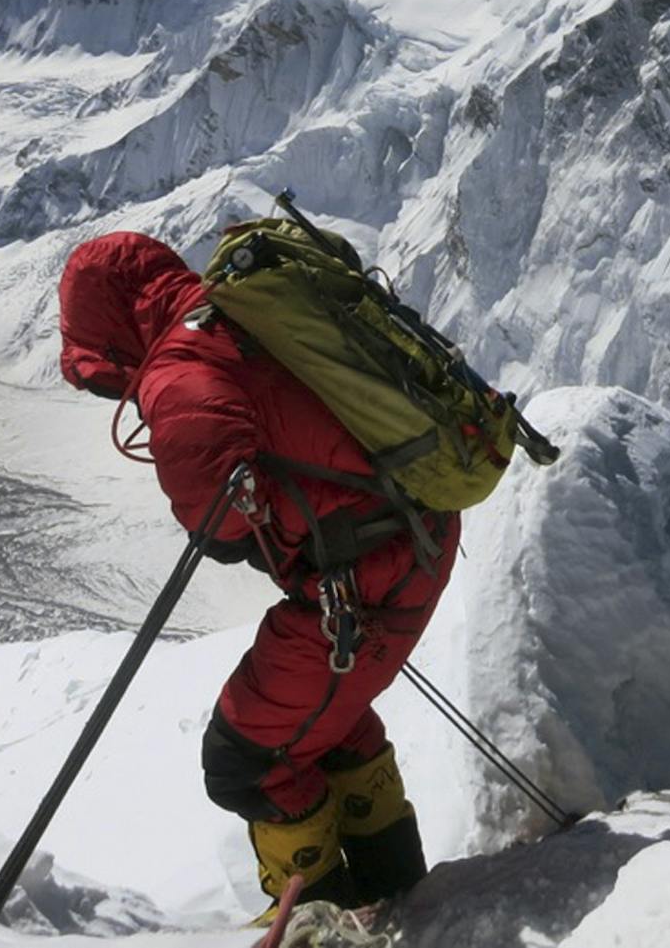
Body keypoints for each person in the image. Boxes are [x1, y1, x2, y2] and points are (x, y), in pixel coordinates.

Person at [56, 230, 450, 914]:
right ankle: (399, 897)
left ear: (115, 330)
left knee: (248, 758)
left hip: (372, 573)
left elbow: (222, 522)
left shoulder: (179, 368)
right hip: (407, 539)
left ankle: (320, 924)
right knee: (323, 726)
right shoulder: (236, 312)